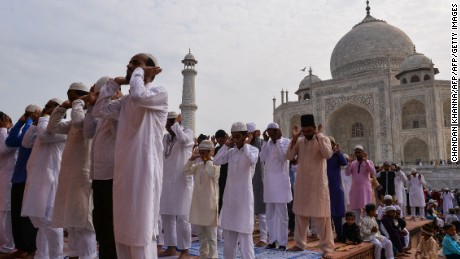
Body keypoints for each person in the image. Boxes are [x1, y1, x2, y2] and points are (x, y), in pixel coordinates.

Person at [93, 53, 167, 258]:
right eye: (131, 63)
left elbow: (139, 96)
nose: (130, 65)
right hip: (123, 173)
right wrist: (114, 84)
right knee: (123, 231)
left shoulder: (159, 93)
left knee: (140, 231)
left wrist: (138, 73)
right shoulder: (125, 102)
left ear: (151, 70)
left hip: (144, 172)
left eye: (136, 63)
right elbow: (99, 110)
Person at [47, 82, 97, 259]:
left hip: (84, 175)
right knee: (72, 222)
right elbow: (52, 128)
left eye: (72, 96)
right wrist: (61, 108)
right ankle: (74, 255)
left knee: (85, 224)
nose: (70, 99)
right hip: (69, 175)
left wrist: (78, 103)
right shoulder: (76, 114)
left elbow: (78, 124)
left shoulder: (92, 116)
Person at [21, 98, 66, 259]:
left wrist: (44, 117)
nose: (45, 109)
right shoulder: (41, 125)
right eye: (45, 106)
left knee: (51, 221)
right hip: (37, 177)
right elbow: (26, 142)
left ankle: (56, 256)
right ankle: (42, 255)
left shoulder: (62, 127)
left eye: (49, 107)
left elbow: (45, 136)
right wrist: (33, 122)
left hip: (51, 179)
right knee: (39, 221)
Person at [285, 114, 334, 259]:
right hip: (302, 184)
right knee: (300, 215)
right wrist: (294, 139)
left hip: (318, 184)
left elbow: (327, 154)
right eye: (304, 131)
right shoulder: (299, 142)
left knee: (322, 217)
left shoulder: (322, 138)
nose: (306, 134)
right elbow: (288, 157)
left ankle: (327, 249)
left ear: (314, 128)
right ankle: (300, 244)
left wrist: (319, 136)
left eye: (309, 131)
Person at [83, 76, 121, 259]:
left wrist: (110, 101)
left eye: (100, 94)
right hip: (98, 175)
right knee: (100, 221)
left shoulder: (119, 109)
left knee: (112, 223)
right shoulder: (101, 114)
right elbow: (87, 131)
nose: (97, 98)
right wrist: (91, 106)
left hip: (113, 176)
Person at [214, 121, 259, 259]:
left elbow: (251, 160)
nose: (235, 139)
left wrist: (246, 144)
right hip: (230, 199)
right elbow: (216, 161)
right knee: (228, 238)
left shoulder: (252, 150)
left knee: (245, 238)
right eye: (233, 136)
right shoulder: (231, 152)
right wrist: (226, 145)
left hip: (244, 199)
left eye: (238, 136)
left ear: (246, 136)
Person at [5, 104, 42, 259]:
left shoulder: (38, 132)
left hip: (30, 179)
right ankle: (20, 246)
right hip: (18, 178)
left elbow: (26, 138)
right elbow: (11, 141)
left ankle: (30, 248)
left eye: (31, 114)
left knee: (27, 217)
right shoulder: (26, 129)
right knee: (16, 215)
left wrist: (28, 122)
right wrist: (20, 122)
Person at [158, 112, 194, 259]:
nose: (167, 126)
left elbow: (185, 141)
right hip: (166, 180)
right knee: (167, 215)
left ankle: (185, 251)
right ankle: (171, 247)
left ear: (176, 123)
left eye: (170, 123)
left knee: (183, 216)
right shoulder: (166, 138)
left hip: (182, 181)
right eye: (167, 123)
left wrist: (177, 126)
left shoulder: (187, 133)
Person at [183, 140, 220, 259]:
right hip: (199, 206)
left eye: (205, 153)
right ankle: (204, 257)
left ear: (211, 152)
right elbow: (185, 171)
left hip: (210, 206)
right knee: (202, 237)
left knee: (212, 238)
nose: (203, 155)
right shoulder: (198, 166)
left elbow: (210, 173)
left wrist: (208, 159)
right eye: (201, 153)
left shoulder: (216, 164)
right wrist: (192, 158)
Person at [260, 122, 291, 250]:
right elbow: (262, 158)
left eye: (272, 131)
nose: (270, 133)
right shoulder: (267, 144)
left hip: (281, 183)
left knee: (282, 215)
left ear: (278, 131)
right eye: (269, 131)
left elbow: (284, 157)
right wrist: (265, 143)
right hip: (269, 183)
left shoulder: (286, 142)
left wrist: (277, 141)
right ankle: (272, 240)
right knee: (270, 215)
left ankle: (283, 242)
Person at [247, 123, 267, 247]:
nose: (249, 136)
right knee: (249, 210)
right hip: (247, 180)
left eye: (250, 133)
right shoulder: (245, 145)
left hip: (259, 179)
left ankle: (264, 238)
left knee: (261, 210)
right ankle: (248, 237)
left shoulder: (261, 143)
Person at [345, 145, 376, 224]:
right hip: (355, 189)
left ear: (363, 153)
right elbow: (347, 173)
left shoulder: (369, 162)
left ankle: (367, 227)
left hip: (365, 189)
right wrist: (349, 162)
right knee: (355, 209)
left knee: (367, 209)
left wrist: (366, 161)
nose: (358, 154)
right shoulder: (353, 163)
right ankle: (357, 229)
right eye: (356, 153)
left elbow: (373, 172)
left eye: (359, 152)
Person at [0, 111, 17, 256]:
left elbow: (3, 149)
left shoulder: (13, 133)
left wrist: (3, 129)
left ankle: (8, 245)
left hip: (9, 178)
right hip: (3, 176)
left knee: (6, 211)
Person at [326, 136, 348, 241]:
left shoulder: (336, 156)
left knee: (337, 213)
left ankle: (340, 235)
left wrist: (338, 152)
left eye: (330, 143)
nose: (329, 145)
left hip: (335, 187)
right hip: (324, 187)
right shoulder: (323, 155)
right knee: (325, 213)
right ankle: (328, 237)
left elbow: (344, 163)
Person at [212, 129, 228, 242]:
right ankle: (219, 233)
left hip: (231, 180)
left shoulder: (232, 149)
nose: (220, 142)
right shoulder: (218, 149)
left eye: (222, 140)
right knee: (220, 205)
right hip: (221, 180)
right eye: (218, 141)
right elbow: (215, 160)